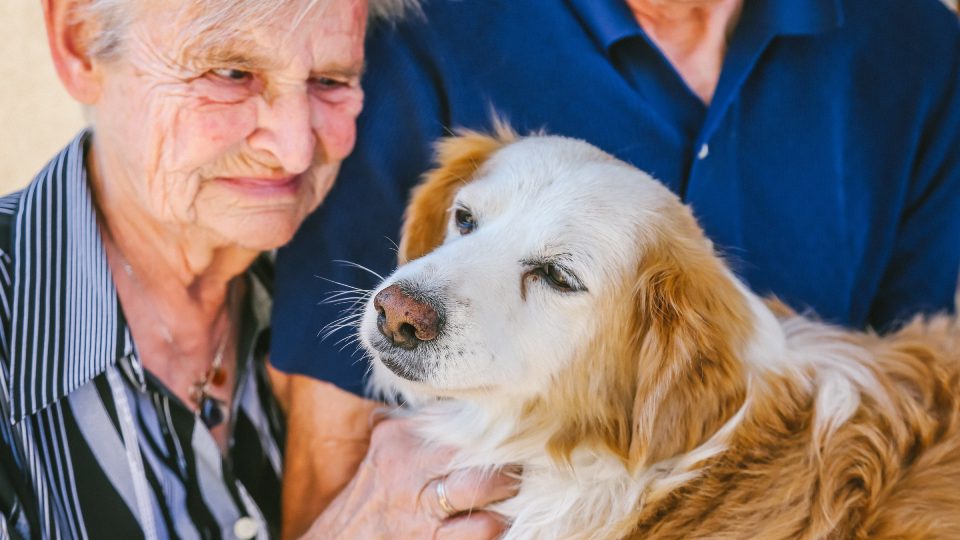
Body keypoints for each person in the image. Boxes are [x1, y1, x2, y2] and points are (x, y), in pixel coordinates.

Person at [271, 0, 960, 533]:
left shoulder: (915, 50)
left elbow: (912, 389)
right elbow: (335, 483)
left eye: (559, 274)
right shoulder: (428, 25)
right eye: (467, 219)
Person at [0, 1, 515, 539]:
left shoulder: (358, 296)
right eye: (231, 74)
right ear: (80, 41)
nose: (294, 149)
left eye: (332, 80)